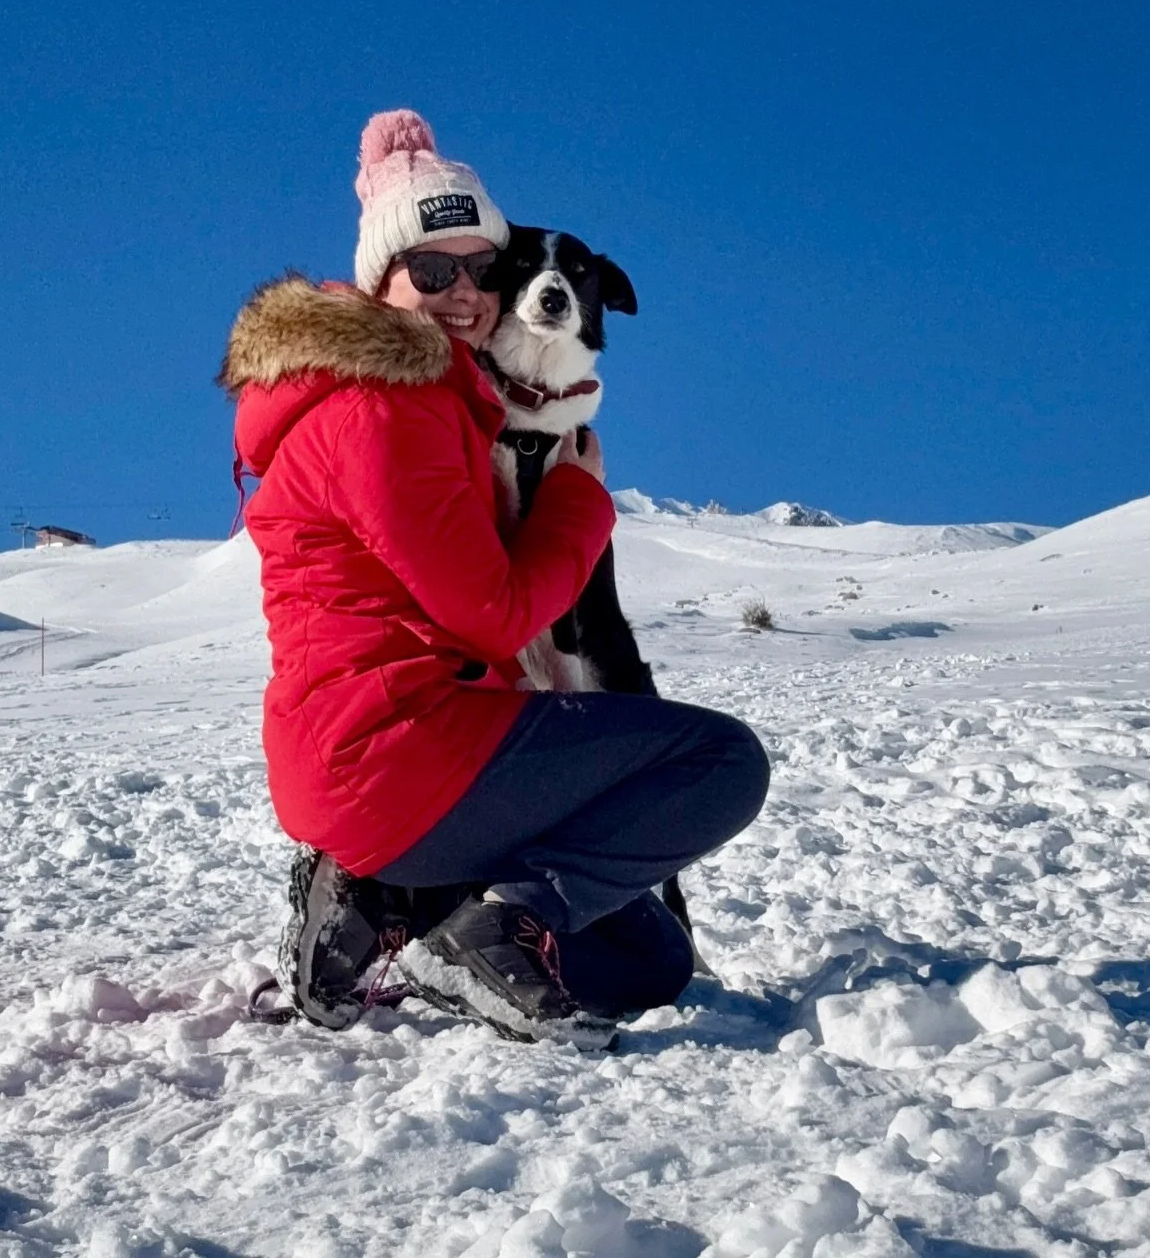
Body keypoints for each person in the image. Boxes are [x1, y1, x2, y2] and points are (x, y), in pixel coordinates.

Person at [221, 110, 769, 1047]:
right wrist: (581, 500)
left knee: (646, 964)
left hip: (383, 761)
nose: (466, 292)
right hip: (397, 754)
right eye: (433, 271)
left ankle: (387, 904)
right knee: (719, 763)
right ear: (379, 281)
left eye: (483, 267)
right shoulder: (384, 408)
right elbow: (492, 612)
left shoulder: (423, 399)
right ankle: (460, 920)